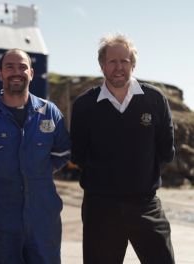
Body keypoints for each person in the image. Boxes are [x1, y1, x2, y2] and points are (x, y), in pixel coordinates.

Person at [70, 33, 175, 264]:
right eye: (112, 61)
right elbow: (78, 154)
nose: (119, 67)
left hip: (145, 204)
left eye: (124, 61)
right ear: (102, 66)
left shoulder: (154, 99)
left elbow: (166, 150)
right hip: (100, 208)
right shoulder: (84, 105)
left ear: (133, 64)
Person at [0, 48, 71, 263]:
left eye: (22, 67)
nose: (16, 72)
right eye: (9, 67)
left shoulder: (50, 112)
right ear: (0, 73)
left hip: (43, 221)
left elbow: (61, 154)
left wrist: (37, 173)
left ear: (31, 73)